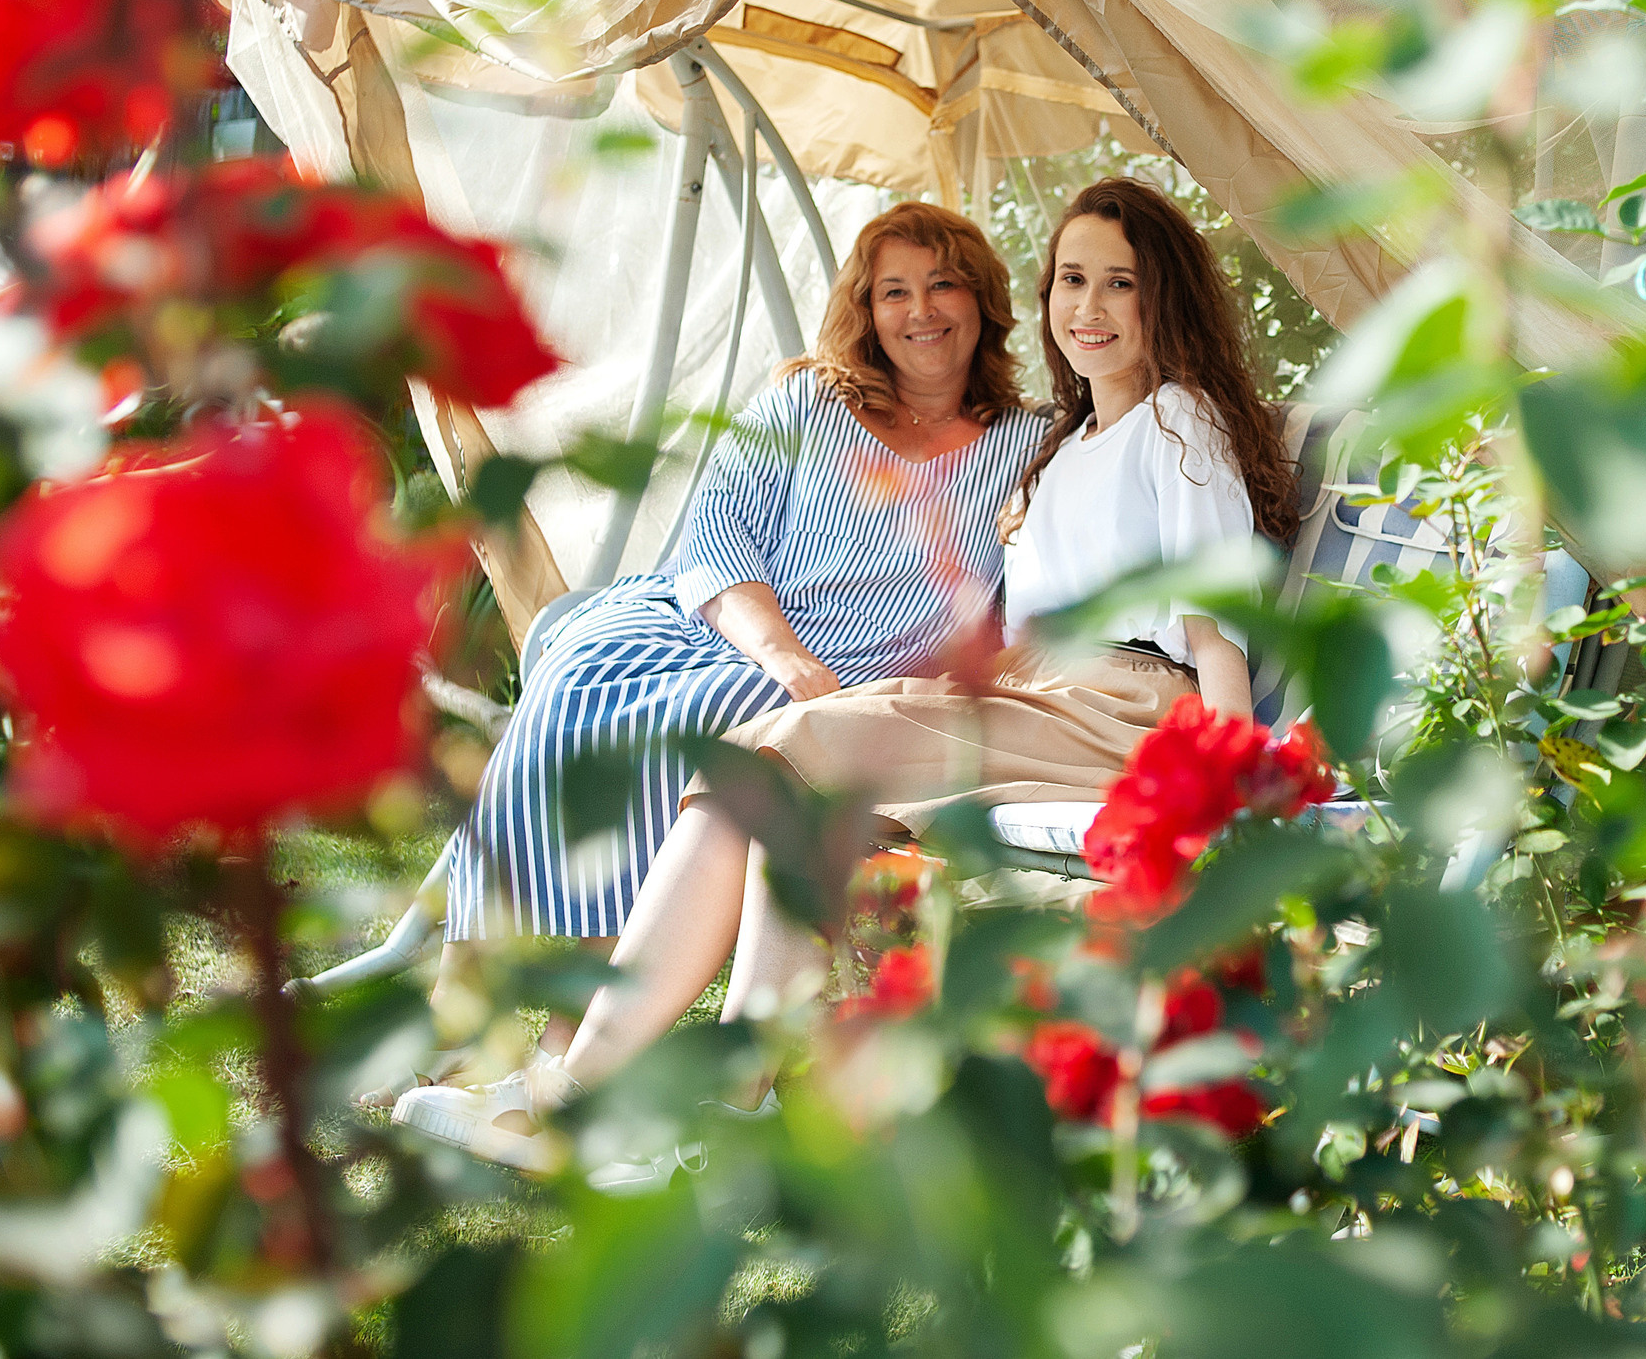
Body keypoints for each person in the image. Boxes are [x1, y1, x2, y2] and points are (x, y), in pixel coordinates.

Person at [405, 176, 1299, 1172]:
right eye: (1072, 279)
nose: (1087, 308)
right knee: (777, 773)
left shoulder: (1180, 425)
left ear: (1161, 297)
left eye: (1119, 284)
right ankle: (713, 1102)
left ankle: (585, 1095)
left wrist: (1234, 795)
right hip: (1037, 694)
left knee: (793, 746)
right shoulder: (1065, 443)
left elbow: (1215, 641)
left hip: (1123, 708)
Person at [390, 202, 1042, 1131]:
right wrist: (779, 648)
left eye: (944, 284)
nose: (921, 310)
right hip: (735, 624)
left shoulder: (1028, 441)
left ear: (983, 303)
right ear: (867, 308)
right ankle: (473, 1014)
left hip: (864, 676)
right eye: (894, 290)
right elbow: (719, 534)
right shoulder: (809, 400)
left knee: (698, 725)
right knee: (581, 684)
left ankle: (552, 1055)